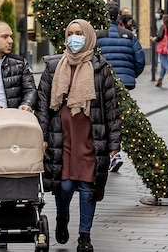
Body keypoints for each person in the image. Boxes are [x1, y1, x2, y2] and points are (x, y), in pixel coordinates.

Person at [36, 19, 121, 252]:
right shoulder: (54, 66)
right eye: (71, 33)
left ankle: (85, 236)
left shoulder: (100, 68)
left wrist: (114, 142)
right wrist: (42, 135)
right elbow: (42, 104)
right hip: (61, 135)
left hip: (91, 135)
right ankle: (62, 218)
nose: (74, 38)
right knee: (64, 185)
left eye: (79, 33)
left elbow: (111, 108)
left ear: (89, 37)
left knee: (87, 186)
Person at [94, 1, 145, 89]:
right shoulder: (129, 35)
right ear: (118, 16)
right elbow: (140, 60)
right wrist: (131, 73)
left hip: (103, 80)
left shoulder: (97, 35)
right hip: (125, 80)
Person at [152, 14, 168, 88]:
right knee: (163, 65)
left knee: (166, 64)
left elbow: (159, 36)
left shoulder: (163, 27)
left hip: (164, 48)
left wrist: (154, 39)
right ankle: (160, 81)